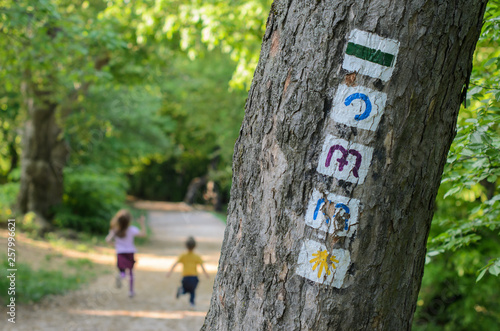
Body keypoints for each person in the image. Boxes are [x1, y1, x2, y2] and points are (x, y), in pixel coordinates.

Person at [105, 209, 146, 298]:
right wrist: (142, 223)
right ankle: (131, 291)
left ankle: (121, 275)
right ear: (129, 221)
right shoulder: (131, 230)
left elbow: (107, 239)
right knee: (131, 272)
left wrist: (115, 245)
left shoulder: (115, 230)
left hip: (120, 252)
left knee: (122, 270)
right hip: (130, 252)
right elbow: (143, 234)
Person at [166, 236, 209, 307]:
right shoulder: (196, 256)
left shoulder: (183, 255)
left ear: (185, 246)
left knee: (186, 289)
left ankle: (181, 291)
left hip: (185, 276)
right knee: (192, 290)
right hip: (194, 277)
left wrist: (169, 272)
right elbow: (202, 266)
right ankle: (192, 303)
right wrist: (206, 274)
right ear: (195, 246)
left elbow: (175, 264)